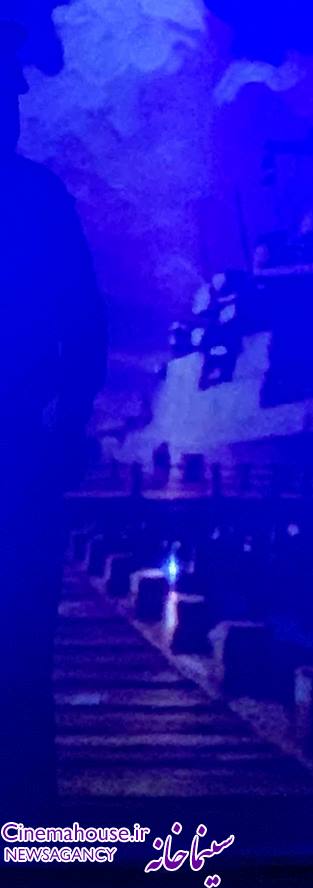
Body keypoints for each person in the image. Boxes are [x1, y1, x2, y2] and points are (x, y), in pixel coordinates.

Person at [1, 11, 107, 816]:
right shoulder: (40, 199)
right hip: (24, 459)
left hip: (25, 458)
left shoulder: (39, 199)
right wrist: (66, 425)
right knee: (21, 661)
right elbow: (86, 330)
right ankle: (29, 837)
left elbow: (85, 330)